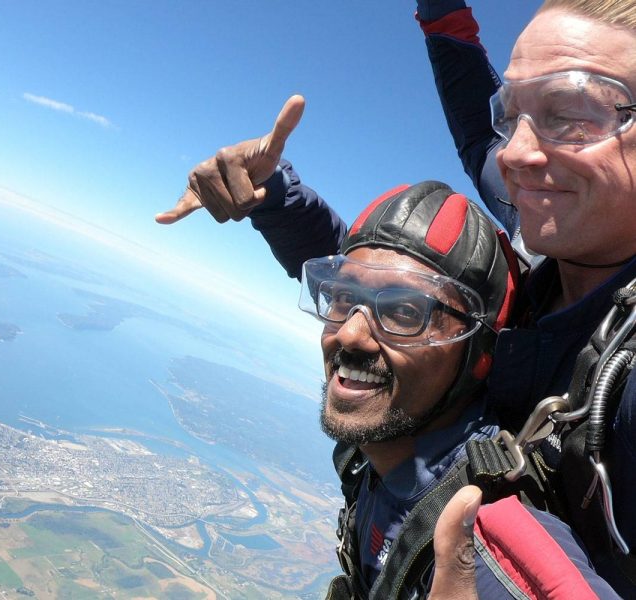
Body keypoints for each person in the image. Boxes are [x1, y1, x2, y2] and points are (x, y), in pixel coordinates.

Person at [157, 0, 636, 594]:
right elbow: (408, 286)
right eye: (513, 117)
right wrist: (275, 200)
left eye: (571, 113)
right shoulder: (557, 214)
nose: (514, 154)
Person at [289, 181, 617, 598]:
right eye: (342, 297)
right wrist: (274, 196)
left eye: (405, 311)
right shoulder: (381, 446)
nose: (350, 334)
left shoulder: (485, 543)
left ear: (480, 356)